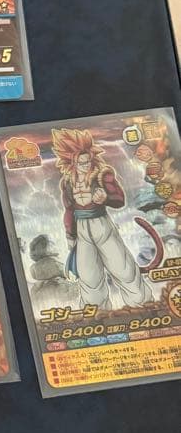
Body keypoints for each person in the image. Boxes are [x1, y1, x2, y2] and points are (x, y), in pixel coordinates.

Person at [52, 128, 156, 309]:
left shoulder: (102, 175)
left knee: (123, 268)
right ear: (72, 162)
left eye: (87, 161)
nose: (85, 165)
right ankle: (96, 311)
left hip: (102, 224)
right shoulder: (67, 182)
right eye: (81, 162)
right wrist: (70, 235)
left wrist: (105, 198)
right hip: (82, 229)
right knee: (88, 276)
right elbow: (69, 210)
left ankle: (142, 304)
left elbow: (119, 200)